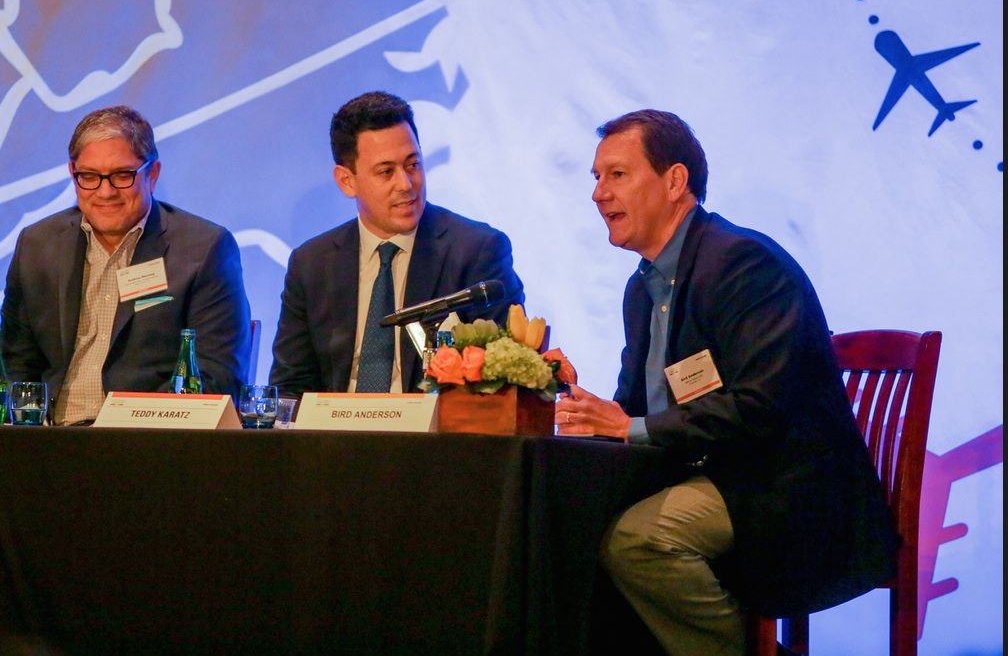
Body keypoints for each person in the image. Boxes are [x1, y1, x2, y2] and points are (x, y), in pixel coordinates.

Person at [558, 109, 899, 655]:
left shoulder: (742, 264)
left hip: (787, 486)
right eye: (596, 178)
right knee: (569, 526)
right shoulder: (641, 288)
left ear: (675, 182)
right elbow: (635, 408)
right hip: (714, 474)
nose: (598, 194)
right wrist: (584, 407)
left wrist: (632, 426)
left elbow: (760, 406)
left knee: (640, 541)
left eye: (616, 175)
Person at [1, 106, 252, 425]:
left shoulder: (203, 248)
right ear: (72, 173)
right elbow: (16, 360)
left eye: (122, 175)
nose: (105, 192)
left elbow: (217, 374)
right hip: (49, 441)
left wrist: (127, 425)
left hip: (146, 442)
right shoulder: (37, 244)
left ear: (153, 173)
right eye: (89, 177)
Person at [269, 91, 524, 397]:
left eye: (413, 165)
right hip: (335, 437)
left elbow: (504, 381)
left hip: (431, 437)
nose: (406, 184)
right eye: (386, 172)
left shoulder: (477, 251)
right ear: (347, 181)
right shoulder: (312, 263)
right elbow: (290, 387)